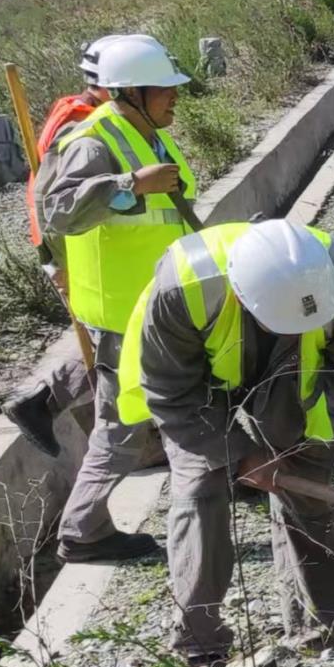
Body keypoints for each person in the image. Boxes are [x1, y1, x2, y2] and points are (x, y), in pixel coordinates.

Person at [118, 220, 334, 667]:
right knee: (200, 493)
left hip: (289, 377)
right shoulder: (186, 286)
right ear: (240, 296)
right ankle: (200, 644)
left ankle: (323, 628)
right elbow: (174, 395)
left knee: (307, 487)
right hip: (193, 384)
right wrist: (240, 455)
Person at [31, 36, 199, 561]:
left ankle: (229, 474)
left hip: (158, 303)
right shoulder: (94, 140)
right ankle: (82, 533)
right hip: (126, 310)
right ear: (130, 92)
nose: (175, 99)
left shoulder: (143, 132)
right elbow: (57, 209)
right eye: (165, 90)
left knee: (189, 398)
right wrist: (129, 186)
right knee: (123, 426)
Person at [3, 35, 150, 458]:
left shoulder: (86, 114)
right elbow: (51, 201)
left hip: (92, 254)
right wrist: (55, 265)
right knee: (114, 348)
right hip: (81, 257)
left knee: (118, 347)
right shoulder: (82, 125)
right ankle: (42, 403)